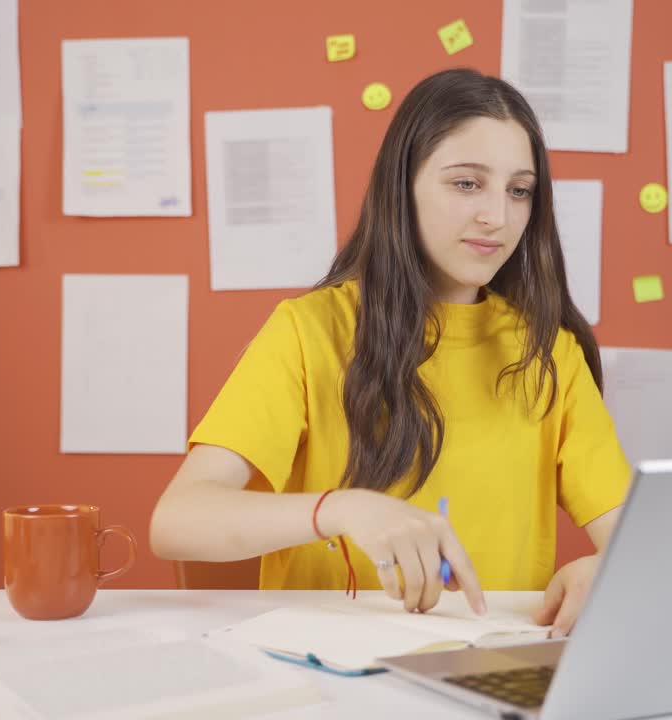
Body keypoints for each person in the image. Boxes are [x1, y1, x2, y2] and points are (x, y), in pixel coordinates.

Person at [151, 67, 630, 638]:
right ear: (402, 186)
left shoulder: (548, 353)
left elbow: (639, 541)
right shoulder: (309, 332)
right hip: (324, 666)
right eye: (466, 183)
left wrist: (611, 571)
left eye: (519, 190)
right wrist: (344, 507)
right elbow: (176, 521)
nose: (497, 217)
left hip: (486, 666)